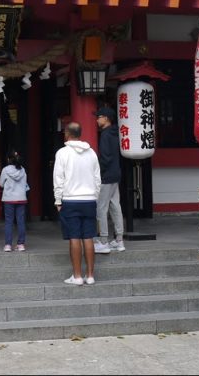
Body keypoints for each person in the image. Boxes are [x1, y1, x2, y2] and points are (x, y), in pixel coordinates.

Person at [52, 122, 101, 286]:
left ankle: (77, 276)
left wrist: (58, 199)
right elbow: (97, 178)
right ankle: (91, 275)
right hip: (89, 199)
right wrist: (95, 195)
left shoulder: (62, 153)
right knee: (88, 237)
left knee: (74, 237)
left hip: (71, 199)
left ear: (67, 133)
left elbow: (58, 178)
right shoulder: (91, 153)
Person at [94, 107, 126, 254]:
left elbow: (105, 159)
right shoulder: (115, 133)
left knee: (101, 208)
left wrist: (97, 172)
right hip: (116, 174)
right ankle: (119, 240)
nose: (97, 119)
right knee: (115, 206)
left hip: (106, 177)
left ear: (106, 118)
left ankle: (103, 240)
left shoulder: (105, 135)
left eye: (99, 117)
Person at [0, 150, 28, 252]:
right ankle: (21, 245)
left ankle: (8, 245)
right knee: (20, 221)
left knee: (9, 222)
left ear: (8, 159)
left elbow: (1, 184)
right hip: (21, 198)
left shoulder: (5, 170)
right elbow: (25, 184)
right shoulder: (23, 170)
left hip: (9, 199)